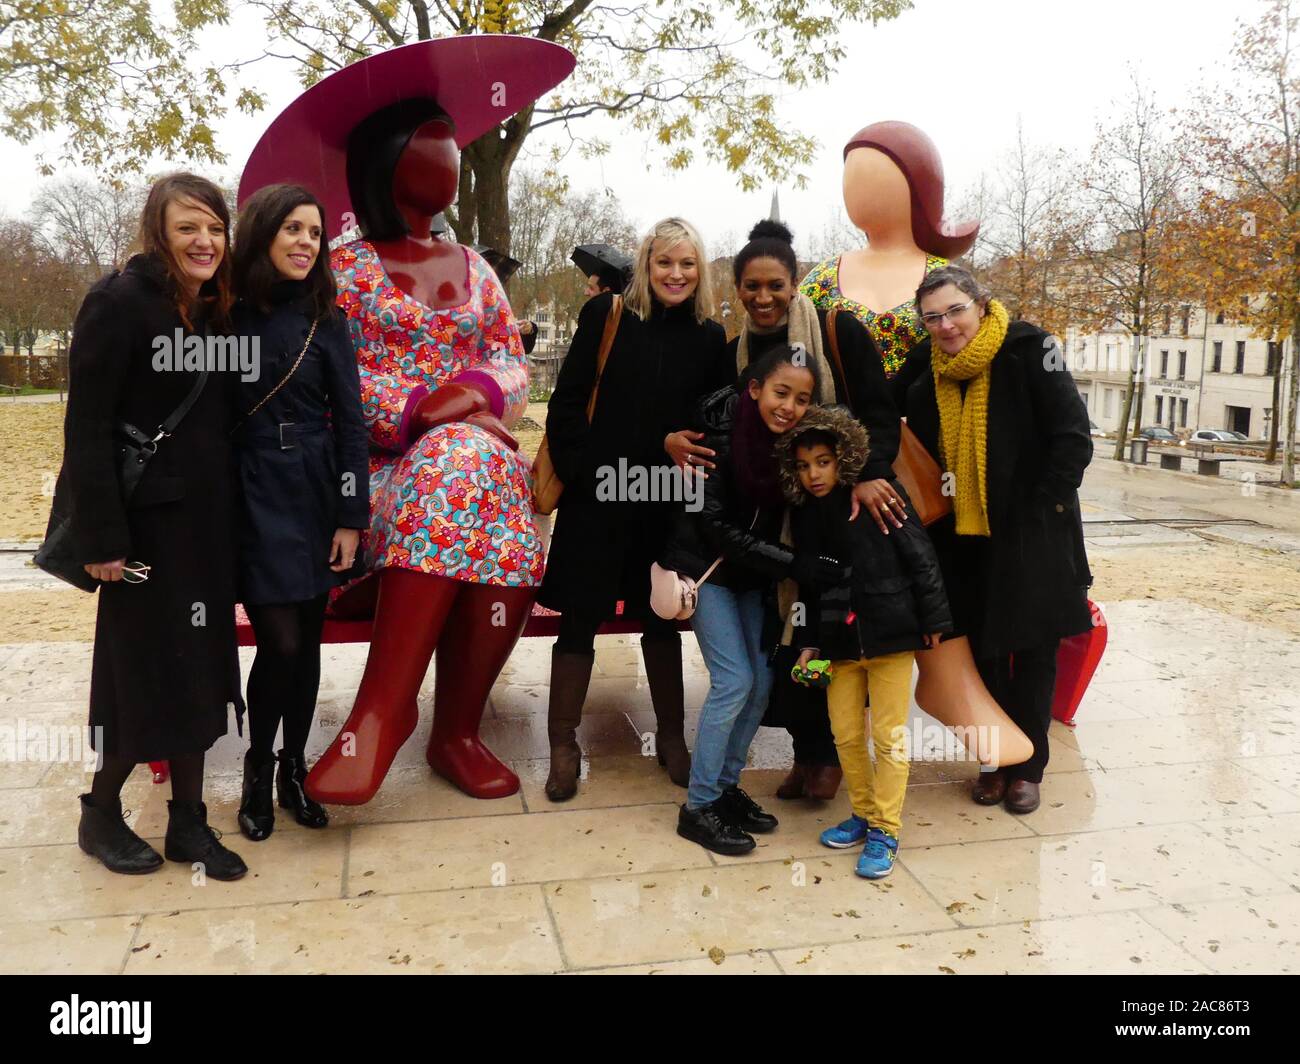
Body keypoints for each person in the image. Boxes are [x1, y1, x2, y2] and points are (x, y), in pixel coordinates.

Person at [237, 36, 574, 805]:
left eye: (451, 147)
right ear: (384, 164)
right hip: (375, 489)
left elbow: (513, 362)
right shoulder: (344, 270)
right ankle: (407, 718)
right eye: (429, 148)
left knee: (482, 472)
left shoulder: (477, 270)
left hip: (470, 480)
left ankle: (431, 725)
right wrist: (420, 414)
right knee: (471, 467)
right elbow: (330, 380)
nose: (449, 162)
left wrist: (470, 399)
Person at [58, 172, 247, 879]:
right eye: (188, 227)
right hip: (142, 535)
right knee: (142, 675)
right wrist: (102, 540)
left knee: (201, 671)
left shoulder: (217, 309)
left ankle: (189, 826)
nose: (204, 241)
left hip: (206, 529)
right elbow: (87, 429)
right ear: (158, 232)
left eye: (214, 228)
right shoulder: (118, 303)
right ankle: (100, 811)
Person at [540, 217, 731, 802]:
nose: (676, 274)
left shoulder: (709, 339)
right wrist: (583, 475)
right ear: (647, 266)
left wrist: (684, 479)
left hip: (662, 507)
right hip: (598, 500)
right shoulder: (608, 316)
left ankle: (670, 739)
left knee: (661, 622)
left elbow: (711, 431)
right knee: (579, 620)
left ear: (701, 271)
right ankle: (563, 745)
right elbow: (567, 405)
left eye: (687, 263)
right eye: (664, 262)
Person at [903, 265, 1094, 813]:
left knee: (1032, 651)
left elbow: (1072, 438)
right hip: (959, 536)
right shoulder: (926, 362)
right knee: (977, 649)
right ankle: (992, 759)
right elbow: (880, 406)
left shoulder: (1032, 348)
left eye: (955, 310)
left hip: (1031, 532)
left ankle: (1028, 766)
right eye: (932, 316)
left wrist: (1042, 510)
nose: (945, 326)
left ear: (981, 304)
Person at [728, 218, 906, 802]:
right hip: (780, 517)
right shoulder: (737, 351)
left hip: (841, 512)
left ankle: (831, 759)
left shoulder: (837, 330)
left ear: (795, 280)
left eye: (774, 284)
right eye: (751, 286)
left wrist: (868, 475)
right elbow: (720, 419)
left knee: (835, 636)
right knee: (793, 637)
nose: (763, 297)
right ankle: (809, 754)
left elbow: (880, 411)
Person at [662, 347, 845, 856]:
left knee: (762, 681)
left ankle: (723, 789)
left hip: (750, 576)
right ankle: (698, 807)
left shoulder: (786, 446)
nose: (789, 406)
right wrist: (794, 564)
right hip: (707, 569)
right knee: (734, 681)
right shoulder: (712, 441)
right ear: (755, 389)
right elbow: (713, 526)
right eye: (781, 392)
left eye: (802, 399)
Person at [230, 183, 369, 841]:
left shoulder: (327, 317)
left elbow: (351, 426)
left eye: (315, 233)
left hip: (315, 490)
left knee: (305, 641)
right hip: (250, 492)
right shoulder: (224, 314)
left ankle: (293, 768)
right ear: (263, 233)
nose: (306, 242)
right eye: (293, 228)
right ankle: (258, 769)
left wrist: (352, 516)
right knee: (278, 640)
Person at [776, 406, 951, 877]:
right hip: (838, 643)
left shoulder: (880, 498)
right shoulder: (807, 518)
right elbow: (812, 586)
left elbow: (921, 556)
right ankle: (864, 812)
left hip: (891, 635)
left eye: (823, 462)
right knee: (847, 735)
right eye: (804, 465)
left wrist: (933, 619)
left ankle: (886, 829)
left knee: (888, 736)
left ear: (844, 459)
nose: (813, 474)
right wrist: (810, 643)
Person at [800, 121, 977, 389]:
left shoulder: (947, 278)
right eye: (851, 177)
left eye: (872, 176)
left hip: (926, 421)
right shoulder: (822, 277)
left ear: (918, 184)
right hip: (843, 421)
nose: (857, 188)